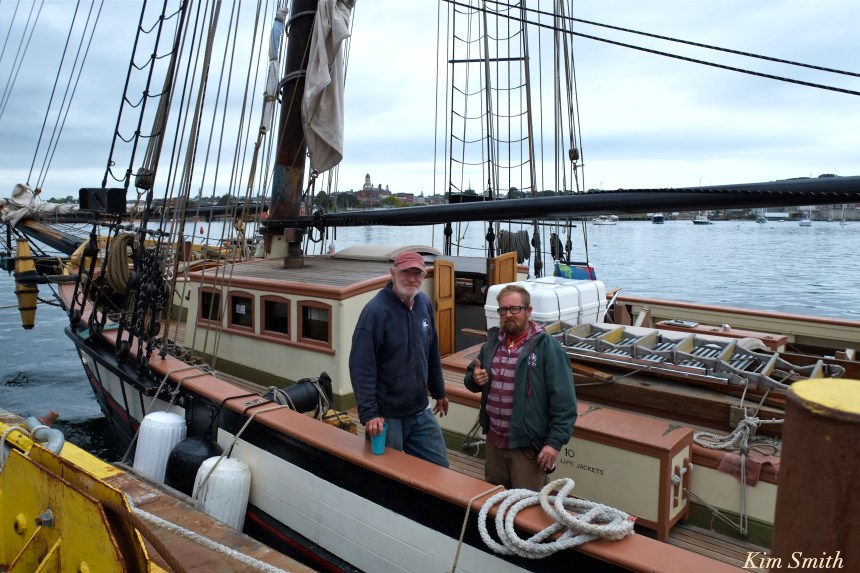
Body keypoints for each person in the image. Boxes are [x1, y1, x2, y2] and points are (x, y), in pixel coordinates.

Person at [464, 284, 577, 490]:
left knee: (526, 510)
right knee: (493, 502)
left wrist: (553, 443)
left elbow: (565, 403)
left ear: (528, 311)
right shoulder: (492, 344)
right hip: (494, 444)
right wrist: (474, 378)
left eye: (515, 309)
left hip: (526, 448)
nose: (508, 314)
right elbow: (470, 380)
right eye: (503, 310)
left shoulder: (547, 347)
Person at [349, 251, 449, 467]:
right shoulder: (375, 311)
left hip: (420, 409)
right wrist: (370, 414)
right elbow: (361, 366)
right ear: (393, 273)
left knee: (440, 469)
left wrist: (439, 390)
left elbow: (431, 351)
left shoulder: (423, 304)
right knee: (388, 474)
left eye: (418, 273)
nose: (412, 279)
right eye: (406, 273)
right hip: (387, 415)